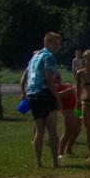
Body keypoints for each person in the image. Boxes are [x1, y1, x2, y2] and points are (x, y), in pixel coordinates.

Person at [24, 32, 62, 168]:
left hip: (32, 94)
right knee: (52, 130)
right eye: (55, 44)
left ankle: (38, 162)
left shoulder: (35, 57)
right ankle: (55, 162)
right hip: (45, 94)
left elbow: (27, 77)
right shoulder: (49, 56)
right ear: (48, 42)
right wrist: (57, 97)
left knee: (39, 130)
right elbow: (49, 79)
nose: (58, 47)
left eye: (59, 44)